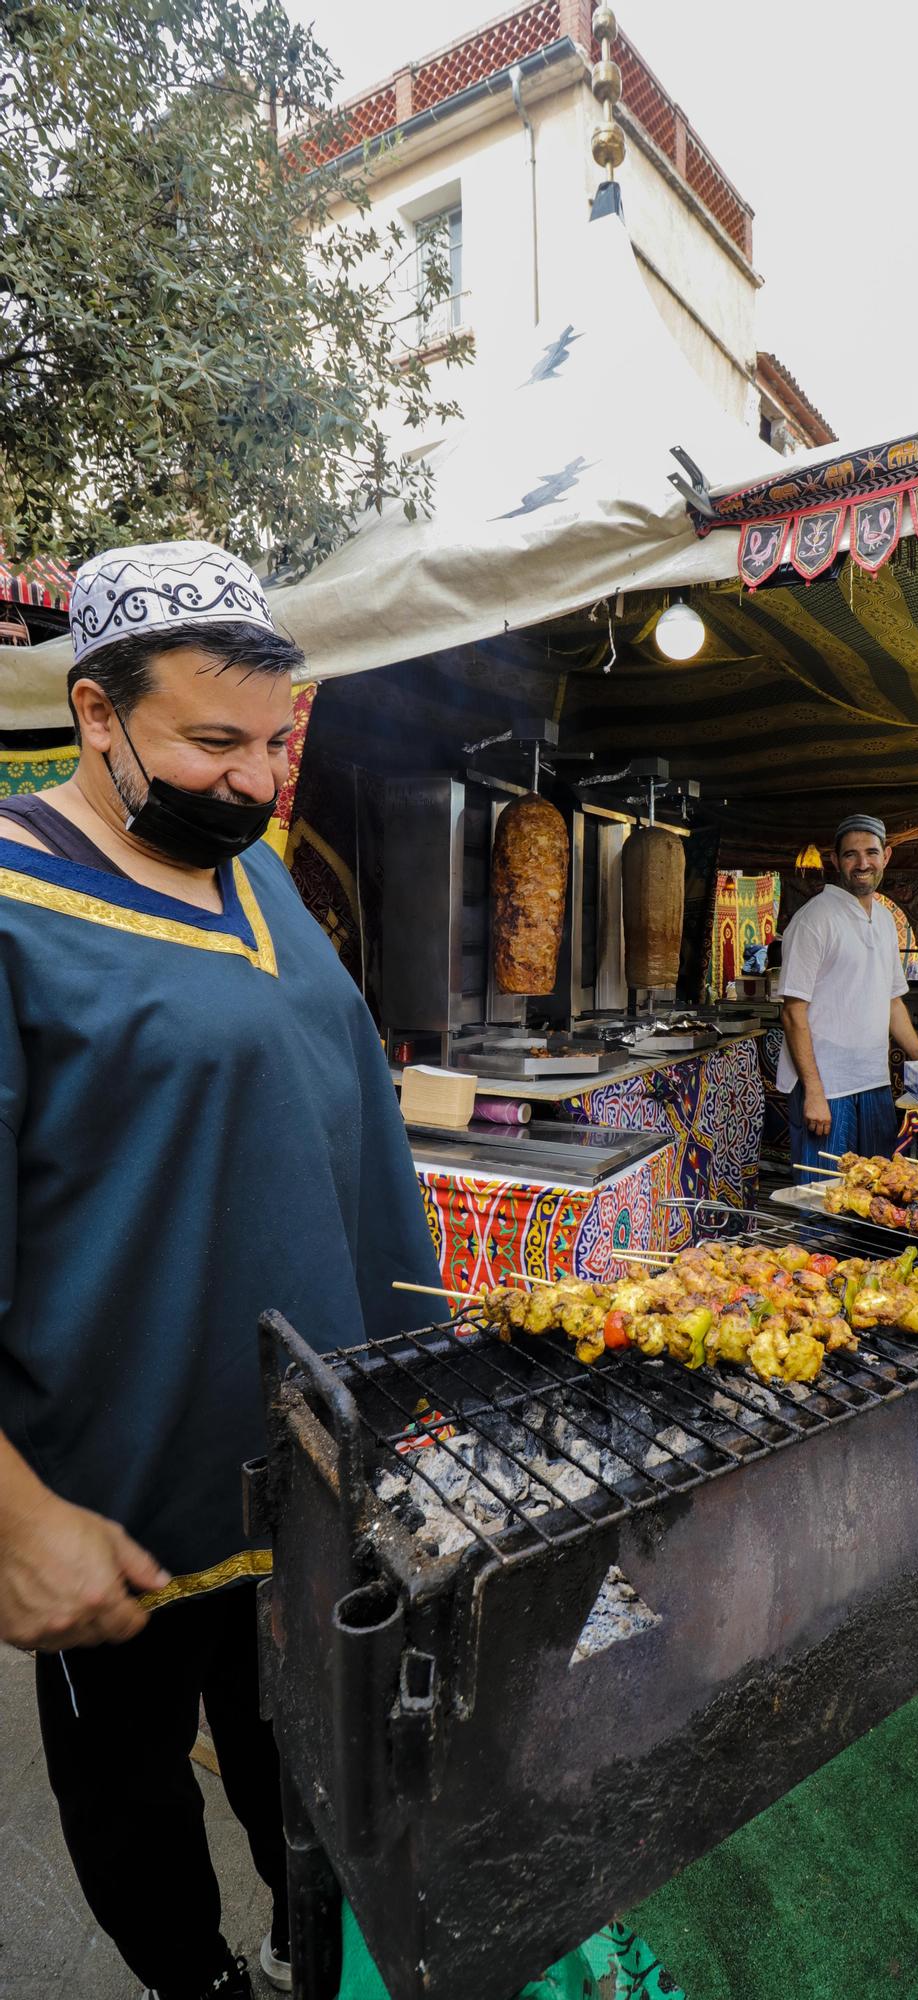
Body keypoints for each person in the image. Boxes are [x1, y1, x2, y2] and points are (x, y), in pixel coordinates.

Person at [0, 543, 442, 2000]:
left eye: (272, 743)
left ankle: (306, 1958)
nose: (256, 781)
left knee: (315, 1787)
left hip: (319, 1470)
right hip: (112, 1502)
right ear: (97, 716)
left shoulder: (254, 878)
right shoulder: (13, 906)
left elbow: (324, 1119)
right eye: (213, 741)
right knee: (136, 1802)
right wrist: (13, 1514)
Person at [777, 814, 918, 1173]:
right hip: (827, 1087)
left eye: (871, 853)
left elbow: (892, 1001)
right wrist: (814, 1093)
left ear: (886, 856)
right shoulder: (814, 919)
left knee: (874, 1194)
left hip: (873, 1083)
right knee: (822, 1204)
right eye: (851, 855)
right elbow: (793, 1012)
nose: (863, 863)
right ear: (835, 861)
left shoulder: (886, 920)